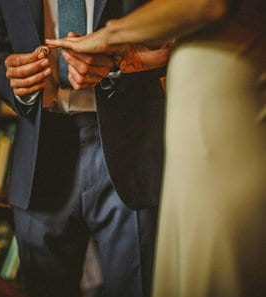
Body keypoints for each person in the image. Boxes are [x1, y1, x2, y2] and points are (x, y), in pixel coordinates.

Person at [47, 0, 266, 295]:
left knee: (221, 267)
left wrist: (110, 35)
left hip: (229, 116)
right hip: (192, 125)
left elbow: (207, 4)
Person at [0, 0, 171, 296]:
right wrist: (15, 80)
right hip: (41, 152)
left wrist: (120, 64)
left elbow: (175, 33)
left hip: (130, 146)